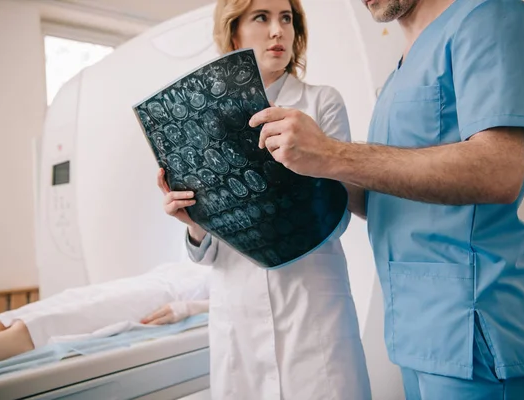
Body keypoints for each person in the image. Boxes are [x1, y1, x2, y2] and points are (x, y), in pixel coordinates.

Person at [249, 0, 524, 399]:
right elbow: (381, 201)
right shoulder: (399, 73)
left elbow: (499, 170)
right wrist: (304, 168)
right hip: (414, 329)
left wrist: (333, 153)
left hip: (472, 327)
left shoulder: (491, 16)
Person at [158, 0, 371, 398]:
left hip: (312, 303)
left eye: (286, 19)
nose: (278, 31)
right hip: (237, 310)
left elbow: (339, 215)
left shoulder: (320, 103)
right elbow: (209, 251)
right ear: (234, 31)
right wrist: (194, 224)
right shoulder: (203, 119)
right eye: (262, 18)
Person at [0, 262, 210, 368]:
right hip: (153, 279)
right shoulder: (211, 242)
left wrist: (187, 308)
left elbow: (238, 302)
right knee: (45, 308)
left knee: (44, 324)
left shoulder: (244, 264)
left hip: (163, 295)